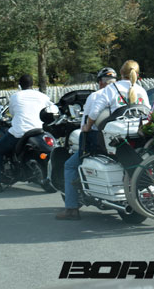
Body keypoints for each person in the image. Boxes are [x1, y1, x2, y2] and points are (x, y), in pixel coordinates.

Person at [55, 67, 117, 220]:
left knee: (70, 166)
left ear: (100, 82)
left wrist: (86, 127)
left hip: (98, 143)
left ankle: (71, 209)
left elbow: (89, 117)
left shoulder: (96, 96)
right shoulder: (123, 95)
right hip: (119, 142)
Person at [0, 74, 52, 193]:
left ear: (20, 85)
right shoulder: (43, 96)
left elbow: (12, 113)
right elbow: (51, 109)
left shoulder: (15, 96)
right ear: (32, 84)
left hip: (20, 132)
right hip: (40, 130)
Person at [82, 60, 150, 133]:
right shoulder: (142, 90)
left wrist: (87, 127)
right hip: (139, 131)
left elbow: (95, 111)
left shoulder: (111, 88)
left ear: (121, 72)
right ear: (137, 75)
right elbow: (148, 111)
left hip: (116, 133)